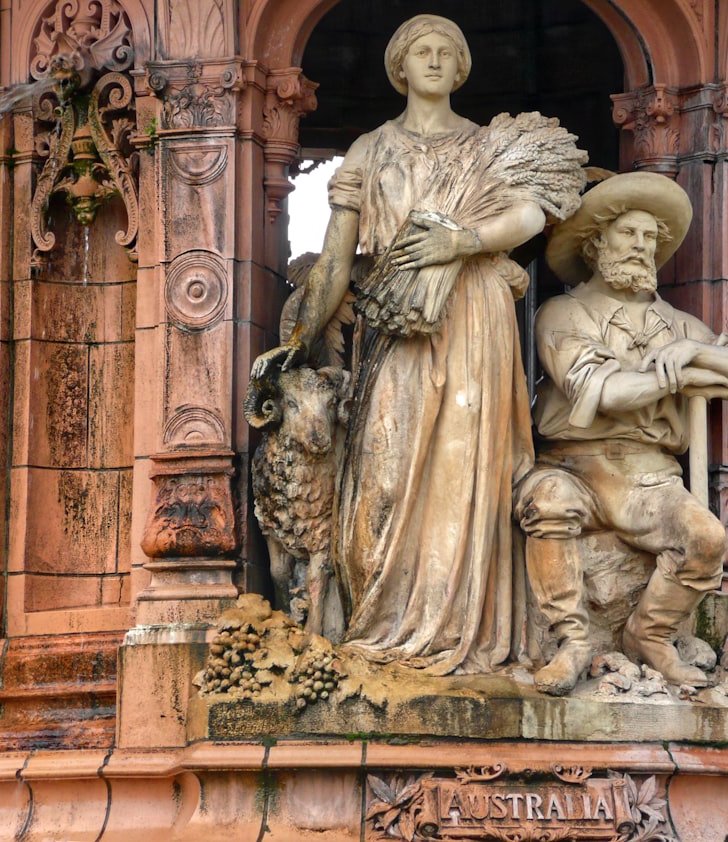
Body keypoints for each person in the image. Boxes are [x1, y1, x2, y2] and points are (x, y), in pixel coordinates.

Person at [251, 15, 585, 674]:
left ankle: (463, 637)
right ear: (400, 68)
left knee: (466, 465)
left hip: (473, 317)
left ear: (461, 69)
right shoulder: (372, 150)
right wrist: (298, 336)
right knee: (381, 470)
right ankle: (377, 629)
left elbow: (529, 216)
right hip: (397, 326)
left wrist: (463, 243)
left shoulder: (488, 146)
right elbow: (338, 261)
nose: (433, 61)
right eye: (420, 52)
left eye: (446, 53)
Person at [515, 172, 728, 694]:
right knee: (547, 501)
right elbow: (603, 392)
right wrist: (666, 378)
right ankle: (572, 639)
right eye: (629, 234)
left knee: (707, 538)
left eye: (650, 238)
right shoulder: (563, 313)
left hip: (652, 476)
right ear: (595, 243)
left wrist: (694, 353)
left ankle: (650, 635)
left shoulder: (679, 325)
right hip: (575, 464)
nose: (642, 247)